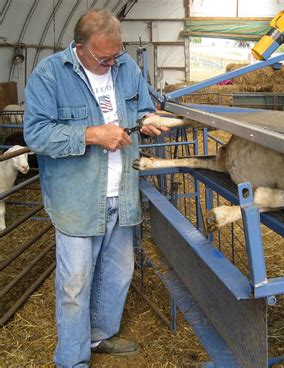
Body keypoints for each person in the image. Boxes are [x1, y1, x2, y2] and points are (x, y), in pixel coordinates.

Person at [23, 8, 168, 367]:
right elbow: (37, 134)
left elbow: (143, 107)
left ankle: (100, 336)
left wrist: (147, 120)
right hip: (78, 196)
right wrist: (92, 135)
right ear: (80, 48)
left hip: (123, 189)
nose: (110, 63)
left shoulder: (127, 68)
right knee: (74, 283)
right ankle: (72, 359)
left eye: (115, 56)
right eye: (103, 58)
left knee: (118, 272)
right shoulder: (50, 75)